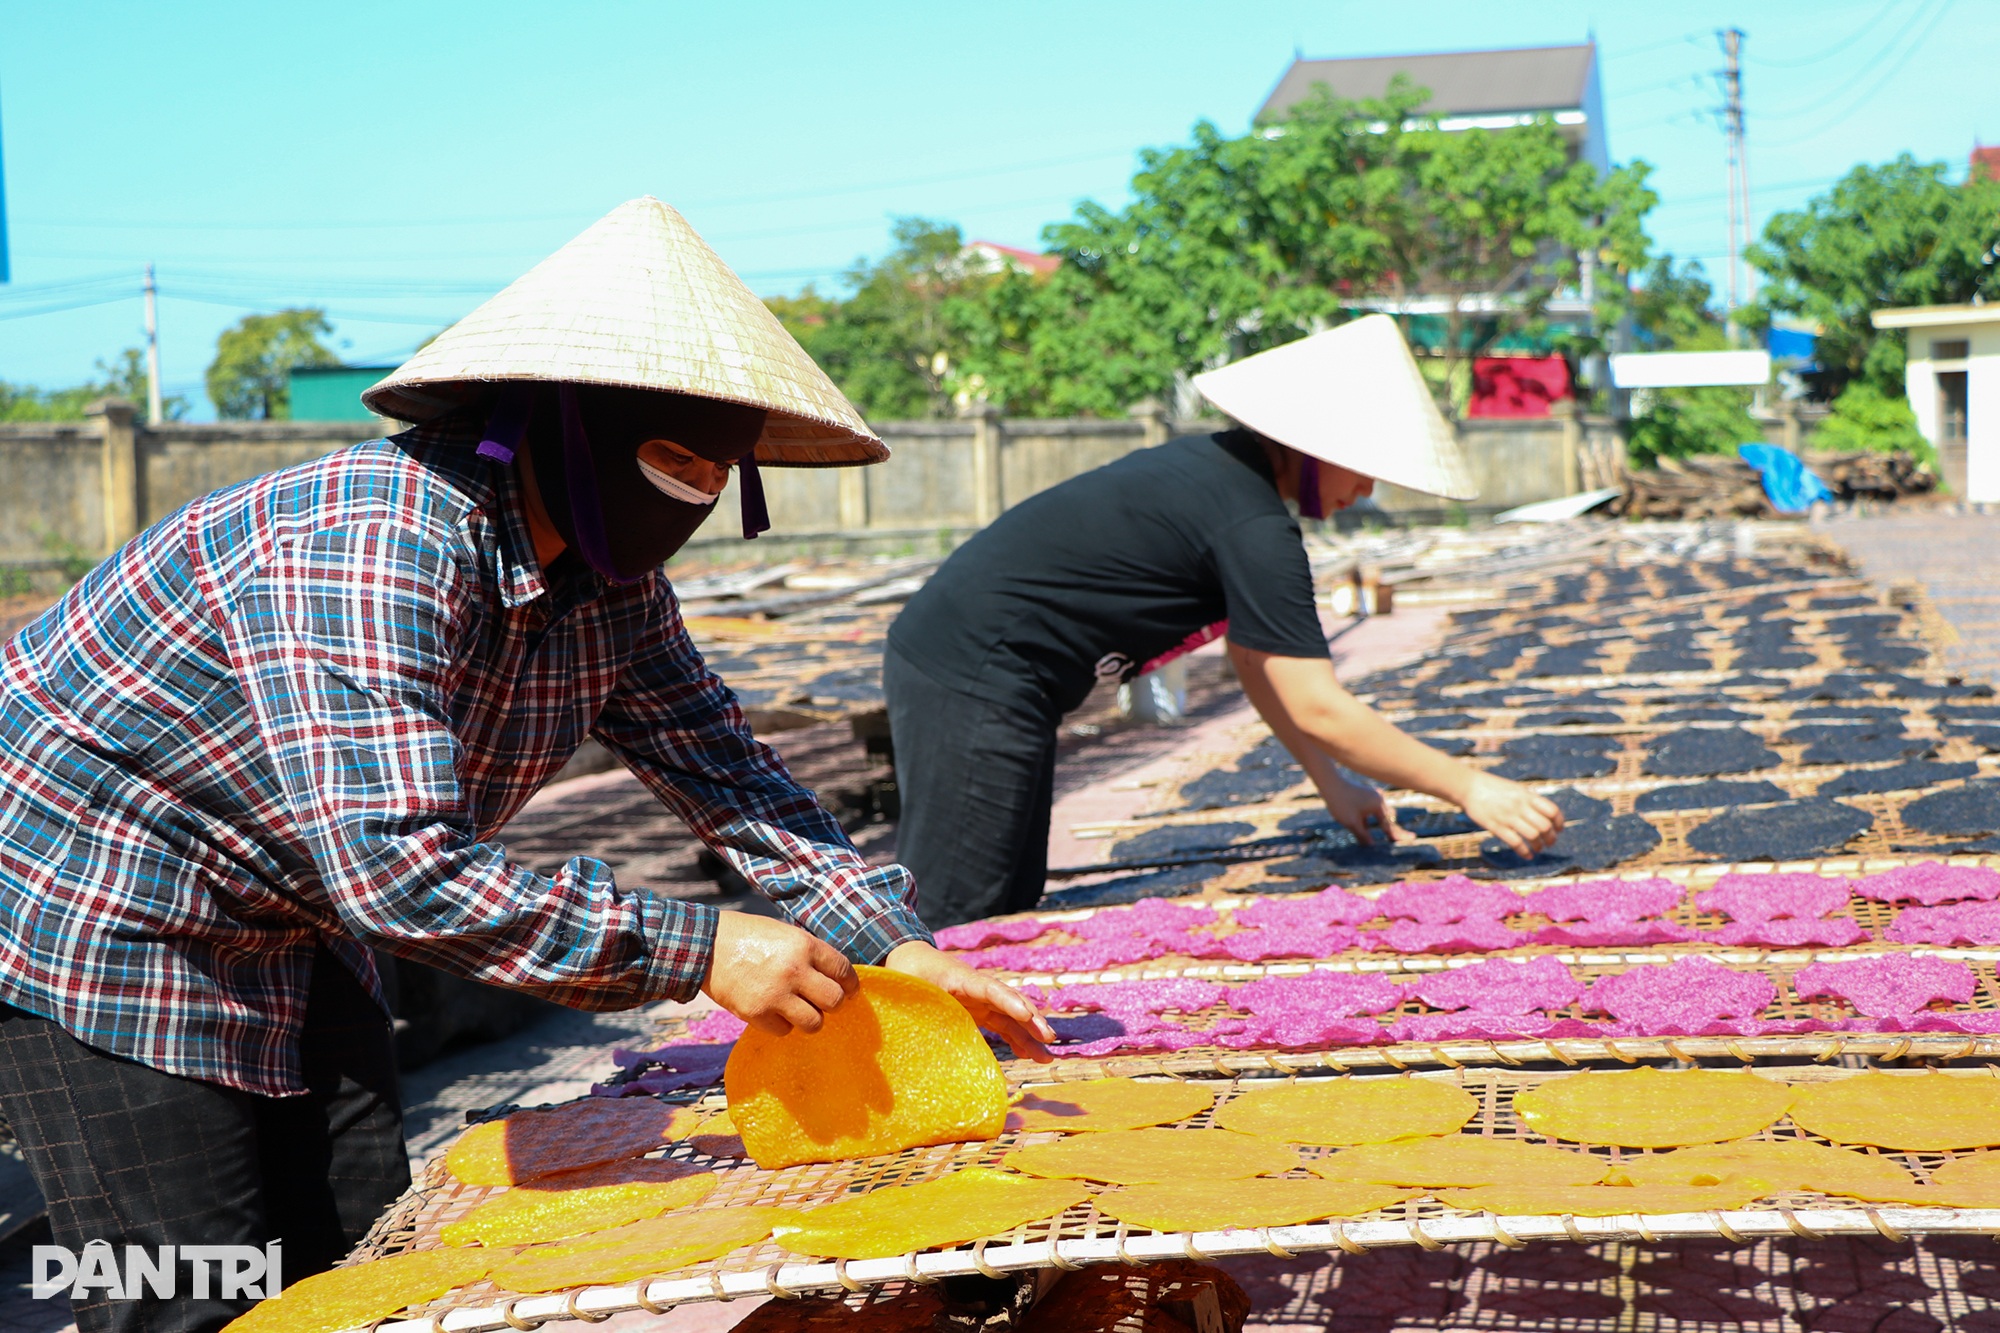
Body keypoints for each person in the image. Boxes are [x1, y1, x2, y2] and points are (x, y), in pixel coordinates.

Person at [0, 197, 1049, 1333]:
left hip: (288, 910)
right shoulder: (374, 539)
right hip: (95, 902)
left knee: (356, 1254)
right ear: (559, 423)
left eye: (715, 469)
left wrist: (895, 950)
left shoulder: (615, 592)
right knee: (191, 1285)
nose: (691, 492)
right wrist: (697, 944)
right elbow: (397, 870)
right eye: (668, 454)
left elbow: (733, 780)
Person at [885, 315, 1564, 929]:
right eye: (1365, 469)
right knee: (961, 908)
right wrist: (1468, 785)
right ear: (1316, 445)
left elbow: (1257, 662)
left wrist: (1331, 780)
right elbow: (1322, 707)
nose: (1367, 492)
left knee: (1008, 890)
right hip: (970, 668)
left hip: (999, 674)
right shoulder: (1251, 523)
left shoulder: (1231, 484)